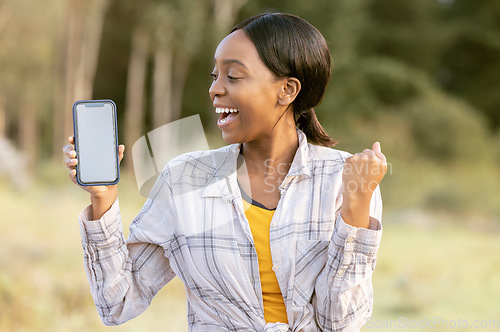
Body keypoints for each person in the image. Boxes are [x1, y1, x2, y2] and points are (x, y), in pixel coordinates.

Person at [63, 12, 387, 332]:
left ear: (287, 90)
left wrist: (355, 211)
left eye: (232, 76)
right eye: (214, 76)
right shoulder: (184, 180)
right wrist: (103, 199)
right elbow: (118, 302)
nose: (214, 90)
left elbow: (339, 322)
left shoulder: (344, 179)